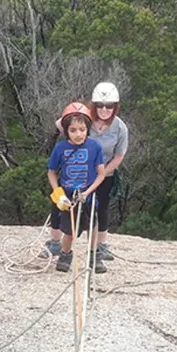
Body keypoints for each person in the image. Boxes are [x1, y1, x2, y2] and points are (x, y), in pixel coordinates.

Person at [42, 82, 129, 262]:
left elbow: (119, 155)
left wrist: (103, 173)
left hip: (103, 171)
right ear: (94, 105)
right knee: (62, 208)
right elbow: (62, 123)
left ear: (115, 107)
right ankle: (56, 243)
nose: (104, 109)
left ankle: (100, 246)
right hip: (74, 171)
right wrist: (74, 121)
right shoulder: (84, 117)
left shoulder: (120, 128)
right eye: (100, 105)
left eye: (109, 106)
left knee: (99, 210)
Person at [47, 101, 107, 273]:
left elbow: (101, 174)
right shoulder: (60, 148)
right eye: (73, 130)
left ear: (88, 129)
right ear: (66, 131)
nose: (78, 134)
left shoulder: (94, 147)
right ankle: (66, 255)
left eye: (82, 129)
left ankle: (94, 255)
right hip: (68, 195)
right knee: (69, 229)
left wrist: (88, 192)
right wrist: (58, 193)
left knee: (92, 225)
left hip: (88, 194)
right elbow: (51, 172)